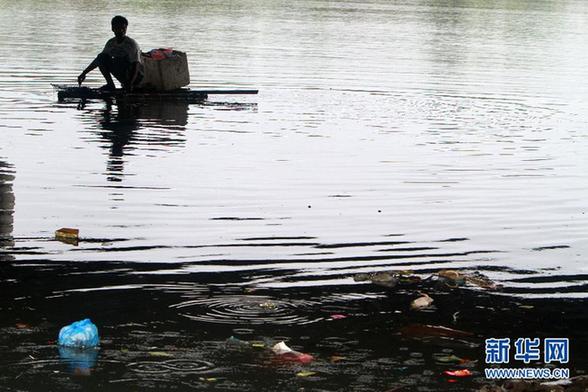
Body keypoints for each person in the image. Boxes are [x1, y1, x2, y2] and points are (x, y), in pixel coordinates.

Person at [78, 16, 143, 92]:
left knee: (121, 60)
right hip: (123, 73)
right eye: (118, 28)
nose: (121, 31)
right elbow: (99, 60)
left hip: (134, 76)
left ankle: (128, 84)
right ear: (113, 29)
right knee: (102, 57)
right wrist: (84, 73)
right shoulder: (111, 43)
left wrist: (130, 84)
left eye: (123, 28)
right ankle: (110, 85)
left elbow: (136, 65)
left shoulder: (131, 44)